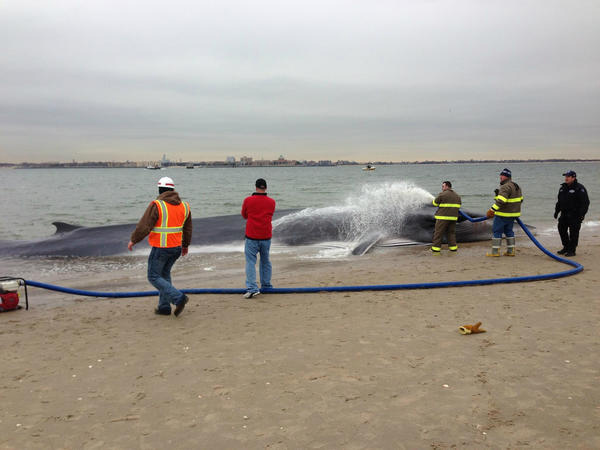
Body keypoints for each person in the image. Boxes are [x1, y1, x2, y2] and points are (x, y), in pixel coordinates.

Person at [128, 177, 192, 316]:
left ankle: (178, 298)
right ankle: (164, 307)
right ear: (173, 190)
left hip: (161, 248)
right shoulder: (184, 206)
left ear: (159, 190)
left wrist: (134, 239)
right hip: (176, 248)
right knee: (164, 275)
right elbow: (188, 229)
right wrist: (185, 245)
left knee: (153, 276)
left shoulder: (157, 204)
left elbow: (145, 225)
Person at [241, 178, 276, 298]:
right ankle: (266, 285)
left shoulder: (248, 200)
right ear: (265, 188)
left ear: (255, 187)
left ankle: (252, 288)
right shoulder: (272, 202)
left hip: (252, 235)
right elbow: (270, 214)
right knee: (265, 260)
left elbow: (244, 215)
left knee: (251, 262)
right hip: (266, 235)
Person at [486, 168, 523, 257]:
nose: (500, 177)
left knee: (497, 231)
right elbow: (520, 200)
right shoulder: (516, 186)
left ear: (506, 177)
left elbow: (501, 201)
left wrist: (492, 210)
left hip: (503, 214)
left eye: (502, 176)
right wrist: (497, 196)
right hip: (513, 215)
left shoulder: (505, 186)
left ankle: (495, 252)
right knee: (509, 231)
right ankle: (511, 251)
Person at [554, 170, 590, 257]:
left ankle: (572, 250)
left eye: (568, 176)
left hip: (575, 215)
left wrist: (581, 215)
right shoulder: (562, 188)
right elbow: (559, 201)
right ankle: (566, 247)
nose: (566, 178)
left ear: (573, 177)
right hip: (564, 214)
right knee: (561, 229)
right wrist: (556, 211)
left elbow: (585, 203)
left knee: (574, 233)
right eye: (565, 176)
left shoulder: (579, 188)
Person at [431, 181, 462, 253]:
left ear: (447, 186)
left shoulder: (442, 194)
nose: (442, 188)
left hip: (442, 218)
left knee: (438, 233)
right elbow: (459, 206)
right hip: (453, 218)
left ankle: (436, 249)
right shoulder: (457, 196)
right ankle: (453, 248)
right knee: (451, 233)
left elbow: (435, 203)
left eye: (443, 186)